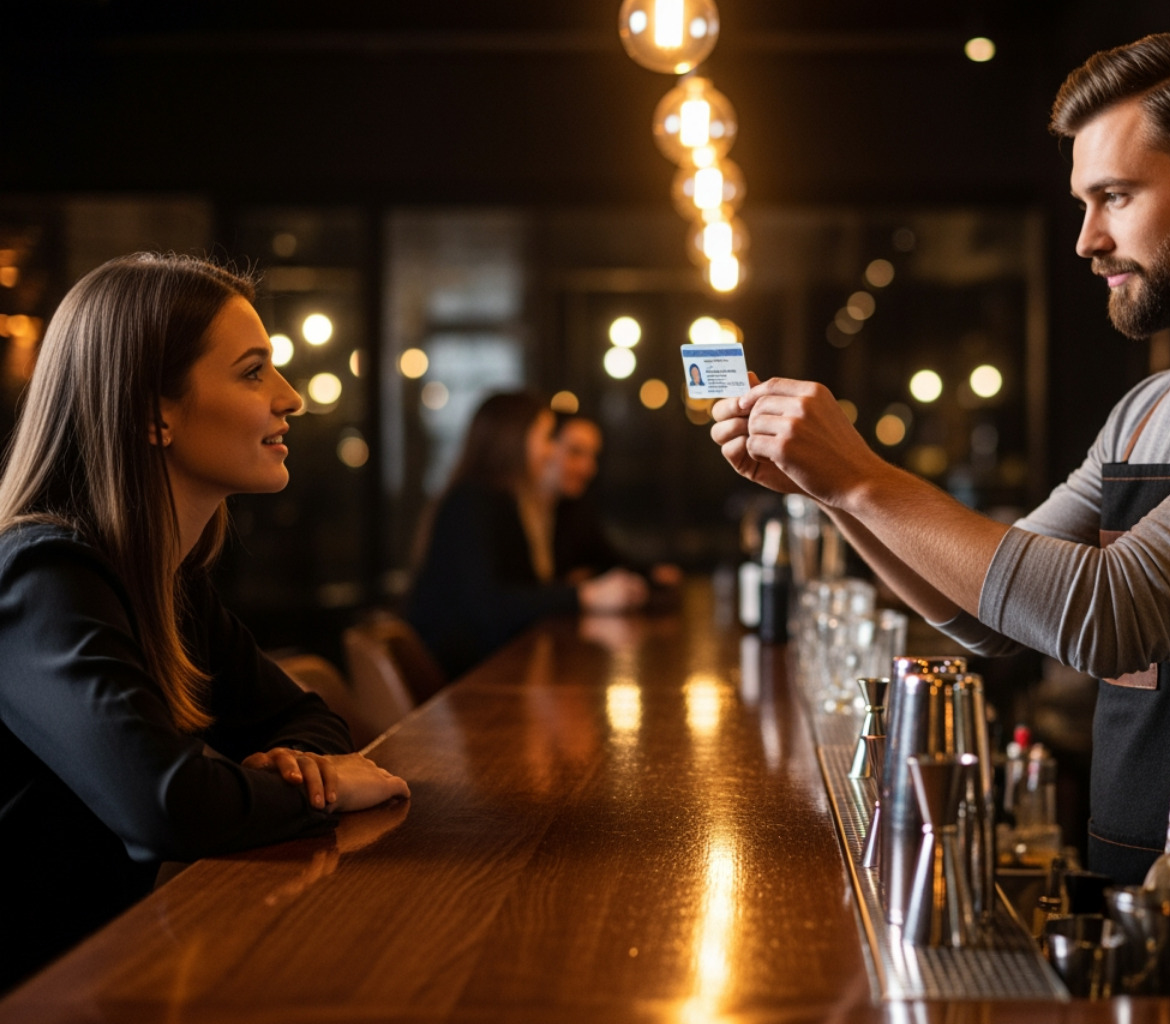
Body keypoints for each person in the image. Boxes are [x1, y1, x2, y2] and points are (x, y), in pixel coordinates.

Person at [711, 33, 1170, 927]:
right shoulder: (1147, 406)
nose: (1088, 240)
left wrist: (859, 477)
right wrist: (824, 485)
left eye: (1115, 198)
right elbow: (983, 617)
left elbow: (1112, 614)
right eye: (1084, 204)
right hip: (1154, 899)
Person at [0, 253, 411, 992]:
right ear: (153, 410)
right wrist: (318, 791)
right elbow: (165, 806)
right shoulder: (44, 578)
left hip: (94, 981)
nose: (290, 398)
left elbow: (307, 719)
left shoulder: (165, 581)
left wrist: (298, 765)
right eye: (254, 372)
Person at [406, 393, 647, 678]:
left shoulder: (506, 501)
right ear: (513, 439)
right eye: (545, 438)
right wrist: (584, 595)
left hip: (494, 669)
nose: (550, 451)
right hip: (463, 681)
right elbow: (488, 607)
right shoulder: (472, 500)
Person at [544, 413, 683, 589]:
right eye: (575, 452)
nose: (588, 468)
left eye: (593, 456)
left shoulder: (573, 509)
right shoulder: (513, 509)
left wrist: (652, 573)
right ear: (545, 448)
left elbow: (608, 559)